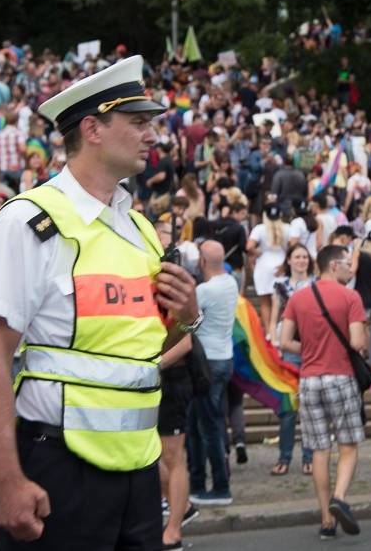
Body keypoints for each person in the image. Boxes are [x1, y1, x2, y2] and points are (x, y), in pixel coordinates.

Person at [0, 55, 201, 550]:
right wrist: (8, 481)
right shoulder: (28, 220)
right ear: (93, 129)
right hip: (60, 466)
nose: (153, 134)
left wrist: (186, 320)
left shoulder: (139, 228)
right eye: (139, 122)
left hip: (139, 471)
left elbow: (141, 348)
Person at [280, 245, 367, 540]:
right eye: (345, 262)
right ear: (332, 265)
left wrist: (310, 349)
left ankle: (326, 521)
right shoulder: (350, 297)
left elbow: (283, 341)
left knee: (319, 449)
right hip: (340, 378)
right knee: (348, 445)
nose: (349, 268)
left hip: (310, 380)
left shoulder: (298, 297)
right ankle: (340, 497)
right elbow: (357, 343)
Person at [152, 219, 199, 550]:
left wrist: (153, 366)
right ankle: (177, 508)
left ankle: (174, 530)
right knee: (154, 455)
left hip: (172, 378)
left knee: (172, 455)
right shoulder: (147, 280)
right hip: (153, 378)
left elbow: (187, 339)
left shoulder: (177, 283)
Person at [187, 240, 239, 507]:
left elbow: (187, 321)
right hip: (223, 358)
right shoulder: (231, 283)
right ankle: (197, 483)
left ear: (202, 262)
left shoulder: (205, 291)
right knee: (199, 422)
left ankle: (220, 486)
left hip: (206, 364)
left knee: (208, 427)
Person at [269, 244, 315, 475]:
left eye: (305, 256)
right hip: (288, 349)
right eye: (297, 256)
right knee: (288, 408)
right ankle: (284, 456)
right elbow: (274, 316)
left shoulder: (315, 284)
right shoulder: (281, 286)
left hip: (311, 348)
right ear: (289, 260)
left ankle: (309, 456)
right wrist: (274, 345)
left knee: (308, 406)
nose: (301, 260)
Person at [247, 203, 290, 333]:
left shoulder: (259, 228)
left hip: (263, 266)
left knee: (265, 302)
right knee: (282, 302)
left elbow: (249, 247)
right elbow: (293, 247)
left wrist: (257, 253)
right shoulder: (287, 228)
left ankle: (268, 332)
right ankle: (278, 329)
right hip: (281, 265)